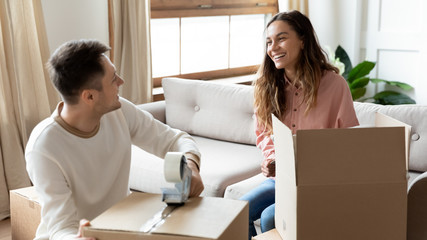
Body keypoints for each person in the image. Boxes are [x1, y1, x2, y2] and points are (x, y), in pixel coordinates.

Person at [25, 39, 204, 240]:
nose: (121, 81)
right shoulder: (43, 147)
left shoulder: (120, 111)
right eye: (113, 79)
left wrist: (191, 166)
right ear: (89, 97)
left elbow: (173, 140)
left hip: (121, 228)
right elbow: (61, 228)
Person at [240, 10, 359, 239]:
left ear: (303, 40)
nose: (273, 47)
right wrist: (271, 158)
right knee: (237, 210)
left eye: (281, 38)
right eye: (269, 42)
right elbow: (263, 132)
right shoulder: (266, 86)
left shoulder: (334, 85)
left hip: (319, 183)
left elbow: (349, 141)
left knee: (269, 217)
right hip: (282, 180)